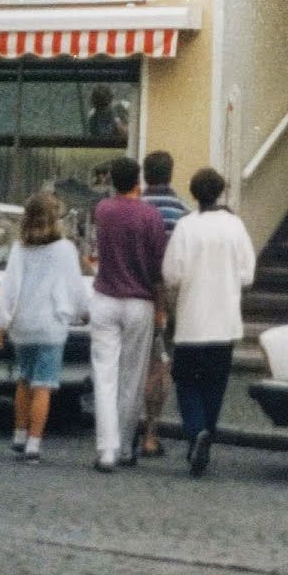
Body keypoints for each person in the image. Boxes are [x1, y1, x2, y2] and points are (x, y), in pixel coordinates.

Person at [162, 166, 256, 476]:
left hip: (192, 322)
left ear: (193, 194)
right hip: (224, 321)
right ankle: (206, 435)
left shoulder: (186, 227)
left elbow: (171, 274)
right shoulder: (235, 226)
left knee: (186, 382)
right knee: (215, 384)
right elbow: (247, 274)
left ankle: (196, 430)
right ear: (220, 191)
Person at [0, 191, 88, 462]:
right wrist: (83, 312)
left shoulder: (19, 249)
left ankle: (19, 435)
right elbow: (75, 286)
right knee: (43, 385)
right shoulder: (65, 249)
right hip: (51, 325)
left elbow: (9, 288)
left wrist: (1, 325)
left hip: (23, 324)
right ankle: (34, 444)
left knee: (24, 381)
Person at [89, 154, 167, 472]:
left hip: (106, 296)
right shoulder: (151, 216)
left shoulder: (102, 210)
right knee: (132, 377)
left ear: (112, 181)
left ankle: (105, 449)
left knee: (104, 375)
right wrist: (161, 308)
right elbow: (157, 269)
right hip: (140, 301)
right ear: (139, 181)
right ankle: (123, 446)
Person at [139, 151, 190, 458]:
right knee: (160, 364)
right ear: (170, 174)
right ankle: (151, 433)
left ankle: (125, 429)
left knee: (134, 364)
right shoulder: (183, 211)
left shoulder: (135, 207)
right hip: (170, 295)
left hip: (136, 290)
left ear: (145, 174)